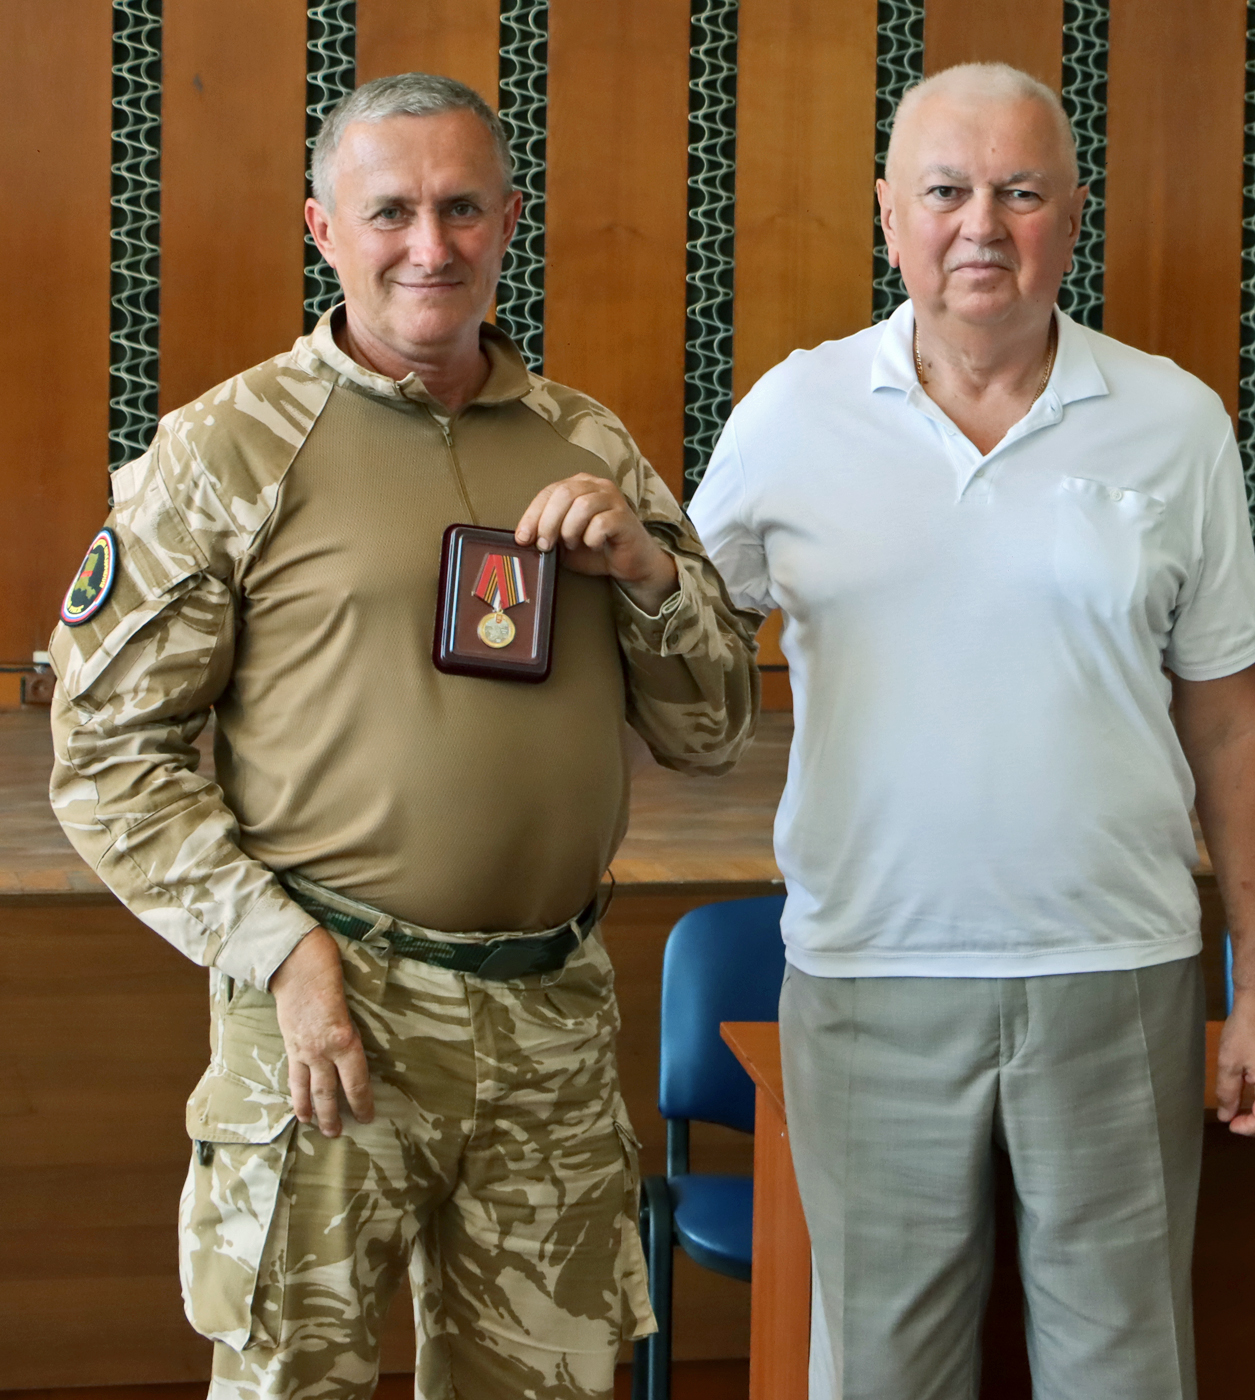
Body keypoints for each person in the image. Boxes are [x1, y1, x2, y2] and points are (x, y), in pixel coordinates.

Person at [49, 72, 758, 1400]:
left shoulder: (586, 440)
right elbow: (105, 758)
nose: (429, 246)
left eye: (461, 208)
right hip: (331, 1013)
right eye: (391, 213)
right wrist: (281, 953)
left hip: (552, 1015)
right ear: (323, 228)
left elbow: (713, 731)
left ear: (509, 220)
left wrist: (649, 577)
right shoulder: (228, 450)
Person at [688, 62, 1255, 1400]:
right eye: (946, 191)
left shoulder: (1176, 420)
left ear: (1072, 216)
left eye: (1020, 193)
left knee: (1126, 1370)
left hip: (1119, 973)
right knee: (883, 1374)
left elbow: (1232, 723)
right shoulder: (790, 413)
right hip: (868, 976)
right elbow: (675, 650)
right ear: (888, 214)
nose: (982, 225)